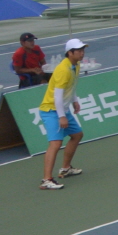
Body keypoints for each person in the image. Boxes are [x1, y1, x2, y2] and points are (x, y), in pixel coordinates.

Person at [38, 39, 88, 190]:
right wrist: (61, 116)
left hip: (63, 109)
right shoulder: (63, 70)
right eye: (78, 51)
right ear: (70, 53)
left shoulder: (75, 65)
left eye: (83, 50)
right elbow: (57, 96)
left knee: (77, 135)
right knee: (55, 144)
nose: (82, 53)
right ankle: (46, 180)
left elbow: (71, 86)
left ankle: (65, 168)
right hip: (51, 110)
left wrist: (75, 101)